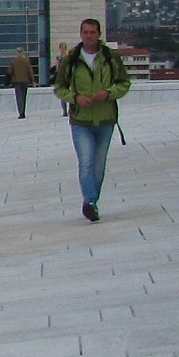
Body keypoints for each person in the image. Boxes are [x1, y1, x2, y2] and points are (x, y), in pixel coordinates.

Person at [52, 18, 130, 223]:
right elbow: (59, 88)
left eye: (93, 32)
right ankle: (90, 202)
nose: (89, 36)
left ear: (99, 34)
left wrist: (109, 93)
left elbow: (124, 83)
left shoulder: (110, 57)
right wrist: (75, 98)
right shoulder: (72, 59)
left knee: (99, 164)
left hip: (105, 119)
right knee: (86, 162)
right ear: (81, 34)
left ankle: (93, 201)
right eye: (86, 32)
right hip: (81, 121)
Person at [7, 49, 37, 119]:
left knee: (19, 98)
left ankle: (21, 113)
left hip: (17, 82)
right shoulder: (26, 61)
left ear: (17, 53)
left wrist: (7, 81)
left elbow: (9, 71)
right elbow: (30, 71)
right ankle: (23, 111)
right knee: (23, 97)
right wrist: (33, 81)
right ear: (23, 53)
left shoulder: (14, 62)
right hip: (25, 82)